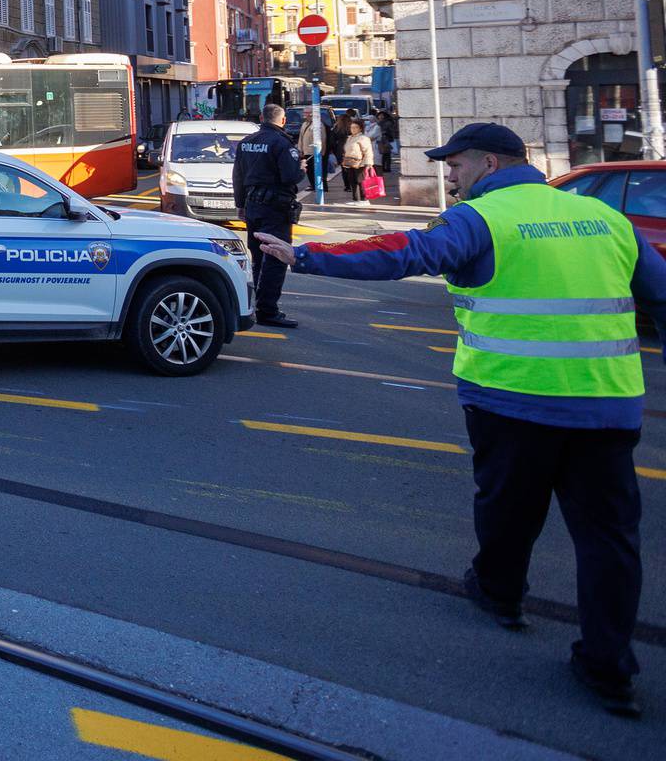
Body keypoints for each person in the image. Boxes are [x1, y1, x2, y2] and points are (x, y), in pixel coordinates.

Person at [256, 123, 660, 717]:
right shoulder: (604, 218)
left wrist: (307, 256)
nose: (449, 175)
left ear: (489, 164)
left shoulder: (483, 218)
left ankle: (500, 596)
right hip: (607, 405)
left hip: (514, 401)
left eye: (456, 164)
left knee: (507, 509)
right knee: (609, 541)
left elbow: (404, 252)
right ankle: (610, 667)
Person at [232, 103, 302, 329]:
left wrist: (240, 205)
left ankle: (254, 306)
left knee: (258, 257)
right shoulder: (281, 143)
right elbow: (290, 176)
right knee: (277, 257)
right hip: (275, 208)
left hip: (253, 206)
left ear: (262, 117)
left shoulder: (246, 143)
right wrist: (300, 168)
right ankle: (268, 310)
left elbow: (238, 177)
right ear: (282, 121)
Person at [341, 119, 375, 202]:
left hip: (360, 163)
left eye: (356, 127)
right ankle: (355, 199)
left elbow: (368, 151)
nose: (353, 129)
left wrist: (368, 164)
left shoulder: (363, 138)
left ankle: (364, 199)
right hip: (350, 163)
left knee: (361, 182)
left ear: (360, 129)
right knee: (352, 182)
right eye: (352, 127)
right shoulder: (350, 138)